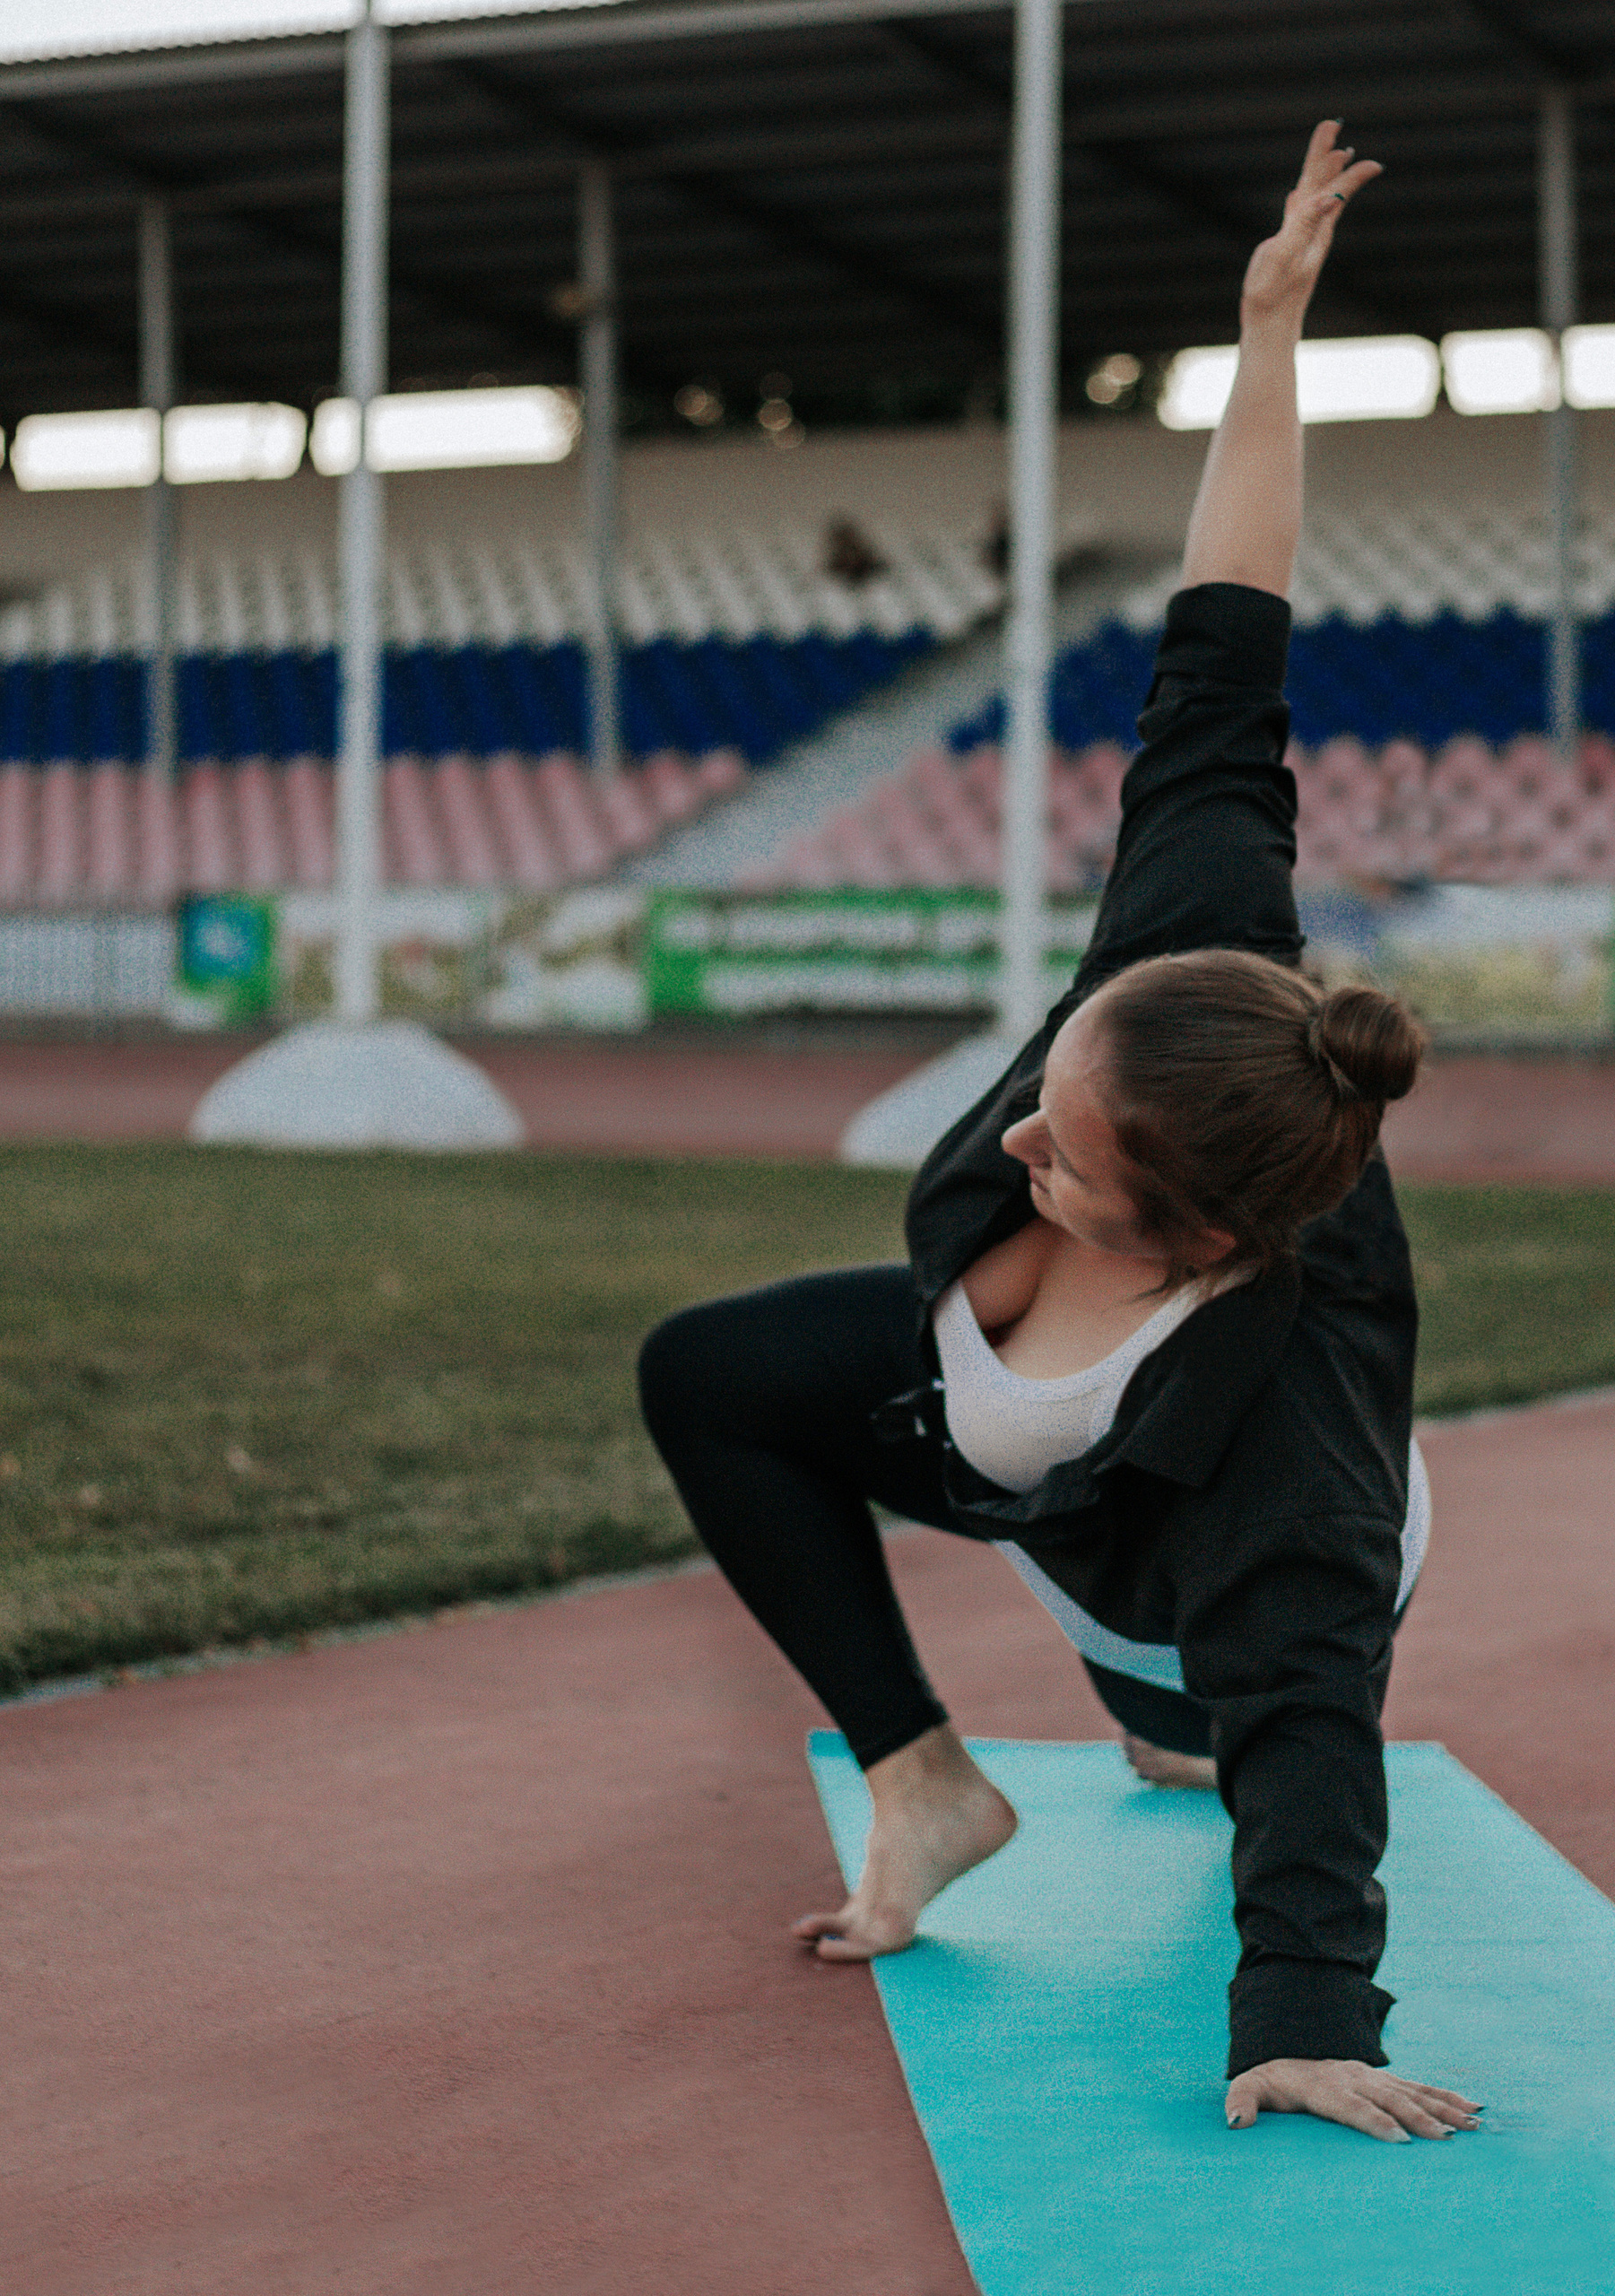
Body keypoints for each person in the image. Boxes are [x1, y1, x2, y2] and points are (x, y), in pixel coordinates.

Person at [639, 123, 1478, 2149]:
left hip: (1173, 1574)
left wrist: (1293, 2013)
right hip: (1006, 1435)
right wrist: (1266, 337)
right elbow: (1225, 644)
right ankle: (926, 1774)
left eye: (1068, 1159)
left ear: (1187, 1240)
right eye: (1052, 1080)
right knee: (712, 1372)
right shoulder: (1195, 957)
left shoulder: (1289, 1456)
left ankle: (1132, 1710)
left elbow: (1316, 1736)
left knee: (1208, 1720)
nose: (1017, 1133)